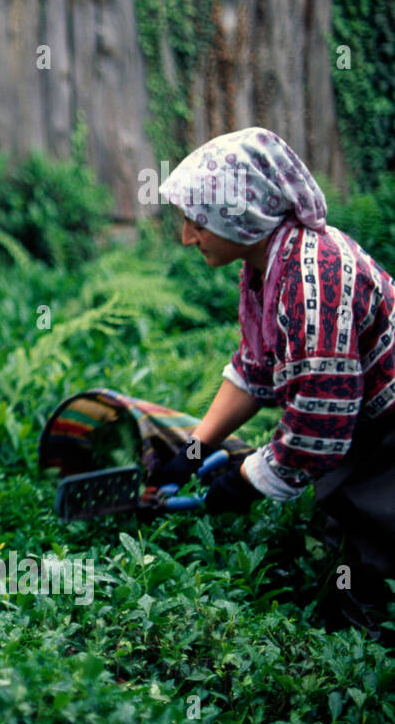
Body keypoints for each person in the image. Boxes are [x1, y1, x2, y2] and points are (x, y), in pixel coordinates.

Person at [149, 126, 395, 643]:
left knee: (376, 545)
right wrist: (194, 451)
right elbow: (256, 367)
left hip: (386, 431)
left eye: (196, 222)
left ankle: (367, 673)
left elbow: (318, 422)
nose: (186, 237)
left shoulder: (314, 277)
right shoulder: (266, 264)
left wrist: (247, 480)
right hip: (359, 423)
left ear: (240, 215)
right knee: (345, 532)